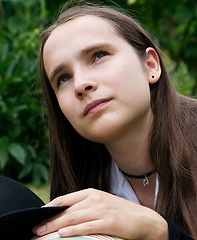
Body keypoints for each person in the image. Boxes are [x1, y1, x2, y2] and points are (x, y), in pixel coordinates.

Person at [33, 1, 197, 239]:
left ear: (150, 65)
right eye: (63, 78)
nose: (80, 84)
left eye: (99, 55)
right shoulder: (81, 185)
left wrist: (159, 232)